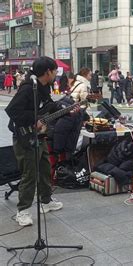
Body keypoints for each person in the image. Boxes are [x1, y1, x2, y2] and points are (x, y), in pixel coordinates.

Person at [5, 57, 67, 226]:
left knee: (45, 168)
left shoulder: (43, 87)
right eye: (55, 71)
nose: (56, 74)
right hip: (25, 136)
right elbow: (12, 111)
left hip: (38, 135)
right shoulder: (28, 88)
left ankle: (45, 202)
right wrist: (35, 119)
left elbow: (48, 107)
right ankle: (22, 211)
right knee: (30, 173)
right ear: (48, 72)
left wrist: (67, 110)